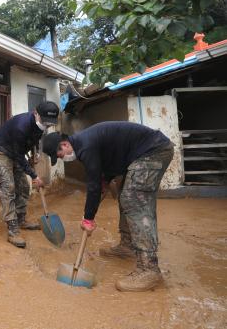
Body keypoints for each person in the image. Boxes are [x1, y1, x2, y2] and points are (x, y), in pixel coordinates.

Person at [41, 121, 174, 292]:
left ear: (65, 144)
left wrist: (88, 218)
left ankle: (149, 269)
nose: (61, 158)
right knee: (124, 195)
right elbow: (110, 162)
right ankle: (128, 246)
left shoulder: (86, 146)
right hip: (140, 154)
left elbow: (93, 186)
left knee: (132, 199)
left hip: (153, 151)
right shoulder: (84, 144)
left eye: (59, 154)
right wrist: (105, 180)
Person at [0, 101, 59, 248]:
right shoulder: (21, 126)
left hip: (16, 150)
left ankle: (21, 219)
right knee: (8, 187)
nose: (46, 126)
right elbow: (18, 156)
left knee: (23, 187)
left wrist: (36, 153)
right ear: (36, 113)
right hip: (1, 150)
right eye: (44, 122)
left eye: (49, 124)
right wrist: (34, 176)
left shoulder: (41, 124)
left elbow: (35, 138)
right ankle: (13, 230)